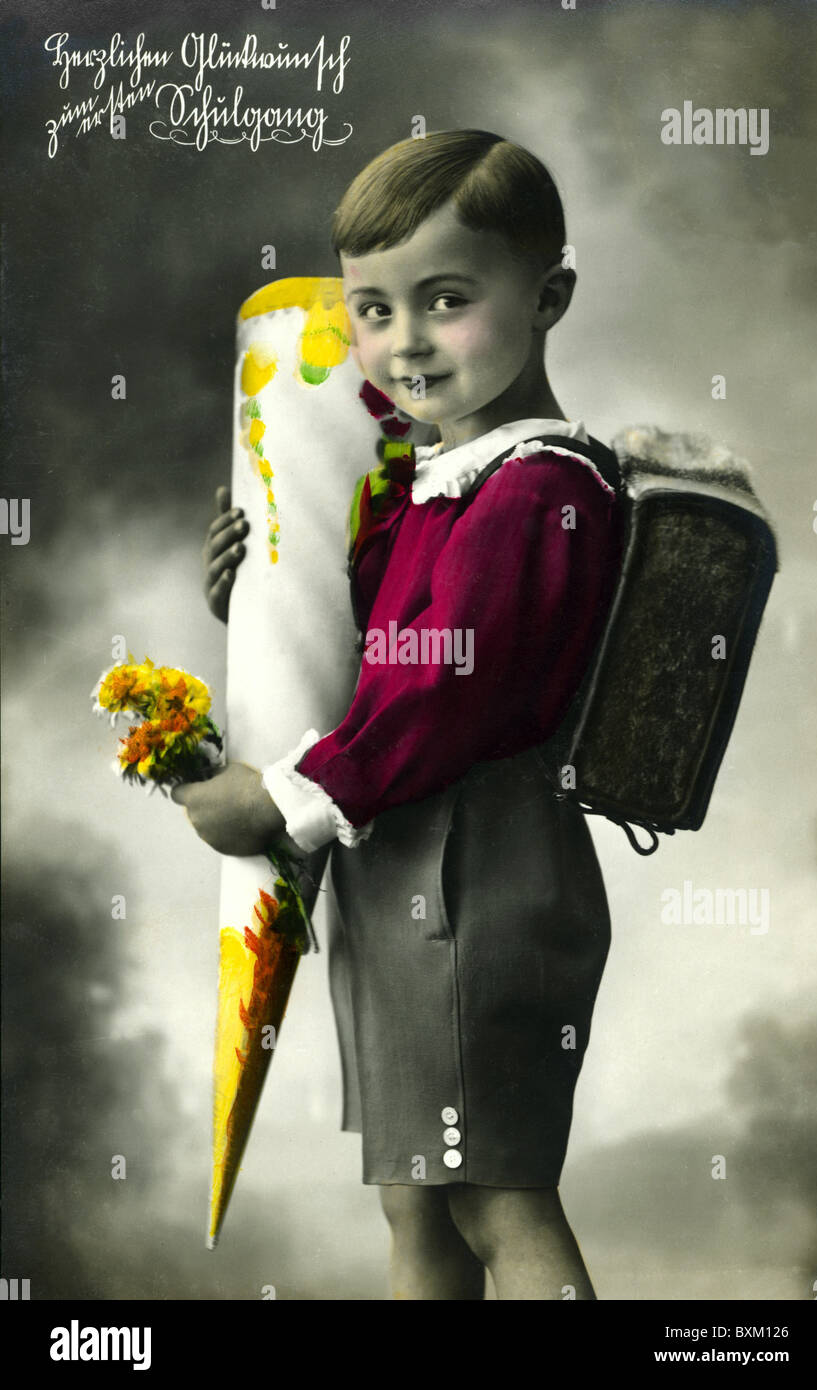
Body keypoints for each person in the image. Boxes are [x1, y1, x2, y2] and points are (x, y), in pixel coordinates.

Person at [177, 130, 625, 1300]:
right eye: (371, 309)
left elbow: (445, 688)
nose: (403, 342)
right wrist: (260, 588)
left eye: (445, 299)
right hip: (404, 869)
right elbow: (378, 644)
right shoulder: (443, 479)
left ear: (548, 297)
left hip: (481, 872)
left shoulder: (539, 490)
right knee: (416, 1199)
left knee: (490, 1194)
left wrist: (278, 796)